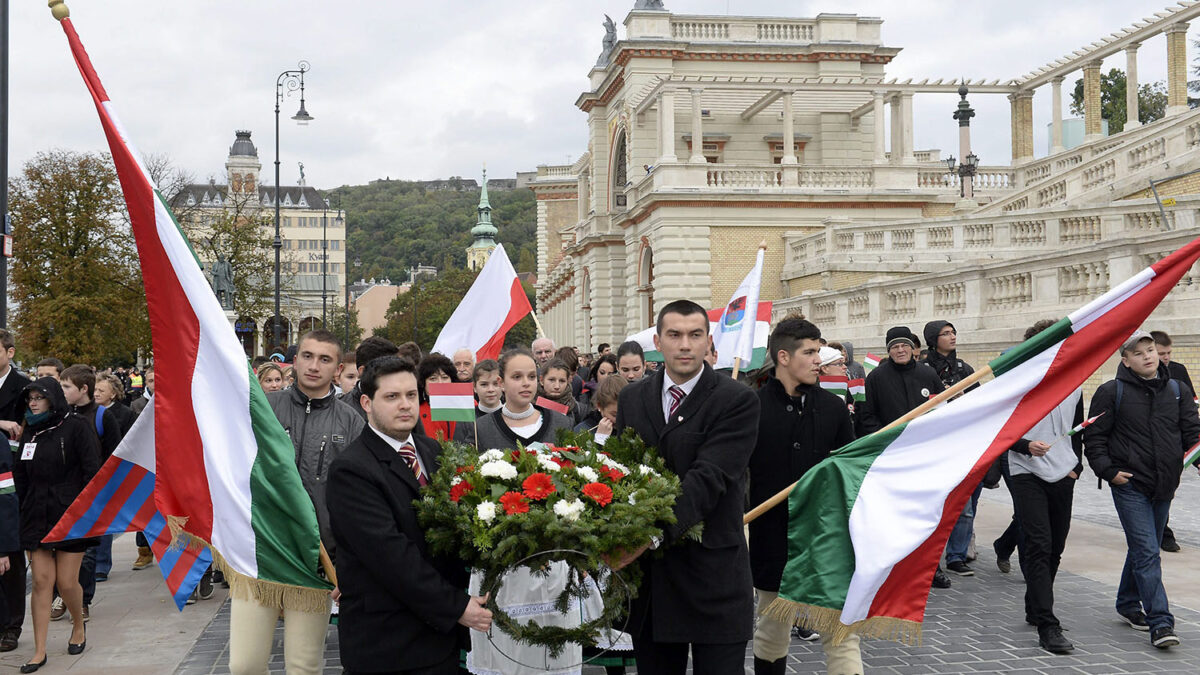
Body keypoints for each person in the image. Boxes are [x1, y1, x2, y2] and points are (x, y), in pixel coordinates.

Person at [613, 300, 760, 675]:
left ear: (709, 342)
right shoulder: (632, 398)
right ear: (657, 343)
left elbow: (708, 478)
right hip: (654, 585)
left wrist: (645, 536)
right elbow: (619, 470)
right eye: (674, 335)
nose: (684, 345)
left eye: (695, 335)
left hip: (713, 575)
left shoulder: (737, 399)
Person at [327, 356, 489, 674]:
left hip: (439, 640)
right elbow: (392, 557)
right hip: (387, 645)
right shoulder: (351, 470)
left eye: (411, 395)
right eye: (392, 396)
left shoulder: (433, 452)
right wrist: (457, 607)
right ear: (366, 402)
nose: (405, 405)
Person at [231, 330, 365, 675]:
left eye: (325, 359)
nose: (314, 366)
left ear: (337, 370)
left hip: (315, 556)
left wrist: (347, 560)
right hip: (261, 551)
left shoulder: (351, 421)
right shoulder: (264, 408)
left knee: (303, 666)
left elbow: (356, 497)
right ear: (295, 360)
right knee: (244, 664)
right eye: (307, 356)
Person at [749, 317, 861, 675]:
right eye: (810, 352)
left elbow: (849, 468)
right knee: (771, 631)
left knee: (841, 633)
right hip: (771, 534)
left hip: (826, 536)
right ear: (783, 356)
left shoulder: (831, 407)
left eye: (819, 351)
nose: (818, 359)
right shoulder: (752, 408)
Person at [1084, 329, 1200, 650]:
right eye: (1139, 352)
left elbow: (1193, 433)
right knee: (1148, 551)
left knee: (1142, 547)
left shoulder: (1177, 389)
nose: (1148, 356)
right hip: (1129, 484)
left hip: (1164, 484)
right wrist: (1108, 472)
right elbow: (1094, 438)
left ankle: (1126, 601)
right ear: (1126, 360)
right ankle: (1161, 622)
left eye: (1150, 350)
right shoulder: (1111, 392)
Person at [469, 348, 577, 675]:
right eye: (517, 377)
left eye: (532, 376)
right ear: (501, 382)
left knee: (555, 643)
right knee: (510, 644)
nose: (525, 384)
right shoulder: (480, 429)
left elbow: (573, 483)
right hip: (504, 557)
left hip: (554, 554)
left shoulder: (560, 422)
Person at [1005, 319, 1084, 655]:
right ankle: (1047, 625)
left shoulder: (1075, 379)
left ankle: (1035, 606)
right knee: (1038, 543)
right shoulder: (1017, 380)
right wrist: (1024, 446)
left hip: (1062, 471)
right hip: (1025, 470)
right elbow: (1000, 428)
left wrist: (1076, 465)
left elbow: (1078, 426)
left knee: (1055, 547)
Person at [13, 378, 100, 672]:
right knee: (40, 582)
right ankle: (39, 651)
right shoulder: (30, 431)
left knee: (65, 582)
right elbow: (20, 475)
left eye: (39, 397)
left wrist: (83, 511)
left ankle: (78, 625)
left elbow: (92, 470)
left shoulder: (76, 427)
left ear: (52, 399)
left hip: (70, 515)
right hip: (36, 514)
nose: (33, 403)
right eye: (30, 399)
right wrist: (23, 510)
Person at [860, 325, 950, 588]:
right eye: (894, 347)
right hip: (893, 458)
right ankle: (895, 568)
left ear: (913, 349)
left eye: (904, 346)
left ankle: (931, 569)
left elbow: (941, 410)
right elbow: (867, 417)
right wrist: (887, 442)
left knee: (928, 514)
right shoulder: (876, 378)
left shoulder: (928, 374)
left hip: (925, 457)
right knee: (895, 515)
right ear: (888, 351)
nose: (900, 350)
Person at [58, 365, 121, 608]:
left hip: (94, 492)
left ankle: (82, 601)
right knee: (63, 549)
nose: (61, 391)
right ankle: (64, 595)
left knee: (87, 552)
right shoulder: (61, 414)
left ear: (84, 389)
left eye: (66, 387)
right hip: (65, 492)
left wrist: (105, 488)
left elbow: (114, 455)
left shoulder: (102, 416)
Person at [923, 320, 982, 577]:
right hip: (934, 444)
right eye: (945, 334)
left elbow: (980, 401)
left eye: (953, 332)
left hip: (962, 443)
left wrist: (962, 399)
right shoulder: (923, 370)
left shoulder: (964, 368)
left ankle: (957, 555)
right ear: (933, 339)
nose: (952, 337)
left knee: (965, 506)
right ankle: (929, 557)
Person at [0, 329, 31, 654]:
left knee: (9, 552)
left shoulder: (24, 389)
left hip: (12, 479)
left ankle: (12, 625)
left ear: (9, 352)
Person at [1149, 330, 1190, 553]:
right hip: (1151, 443)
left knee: (1167, 488)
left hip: (1174, 441)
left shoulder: (1178, 371)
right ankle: (1161, 532)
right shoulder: (1142, 373)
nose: (1165, 357)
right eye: (1161, 353)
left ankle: (1159, 529)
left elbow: (1191, 404)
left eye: (1168, 353)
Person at [340, 336, 401, 419]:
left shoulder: (404, 405)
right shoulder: (341, 411)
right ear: (363, 371)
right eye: (387, 370)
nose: (394, 376)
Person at [574, 374, 626, 446]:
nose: (620, 419)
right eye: (614, 415)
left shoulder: (634, 427)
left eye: (624, 413)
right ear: (600, 406)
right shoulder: (583, 431)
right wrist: (600, 439)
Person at [417, 354, 458, 442]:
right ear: (423, 383)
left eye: (445, 377)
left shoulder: (469, 405)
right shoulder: (416, 411)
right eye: (433, 379)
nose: (440, 383)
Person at [539, 357, 582, 424]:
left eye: (562, 381)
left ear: (568, 381)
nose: (557, 386)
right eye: (551, 380)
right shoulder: (528, 404)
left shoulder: (576, 408)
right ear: (541, 380)